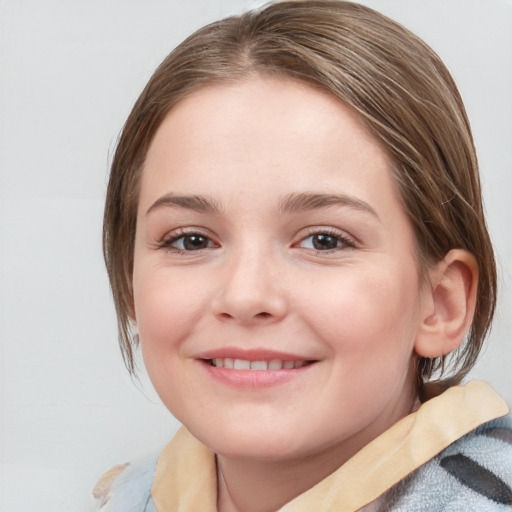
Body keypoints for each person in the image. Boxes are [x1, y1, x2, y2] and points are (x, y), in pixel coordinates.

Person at [95, 1, 512, 510]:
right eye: (191, 240)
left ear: (441, 303)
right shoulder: (127, 497)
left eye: (324, 240)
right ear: (131, 278)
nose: (245, 296)